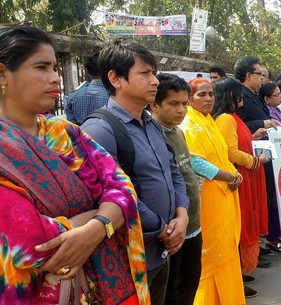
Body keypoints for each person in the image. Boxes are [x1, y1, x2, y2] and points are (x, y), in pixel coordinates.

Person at [0, 26, 149, 305]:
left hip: (98, 291)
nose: (55, 78)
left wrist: (96, 227)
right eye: (41, 67)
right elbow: (30, 244)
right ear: (2, 73)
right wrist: (102, 216)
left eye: (55, 67)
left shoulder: (66, 132)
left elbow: (123, 186)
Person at [81, 39, 189, 305]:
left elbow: (173, 172)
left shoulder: (151, 125)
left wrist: (182, 216)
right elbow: (116, 193)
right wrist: (162, 228)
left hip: (163, 250)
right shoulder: (100, 130)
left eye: (154, 73)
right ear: (115, 78)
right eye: (145, 73)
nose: (155, 81)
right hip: (131, 256)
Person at [180, 78, 245, 305]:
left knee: (226, 249)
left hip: (223, 195)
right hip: (206, 199)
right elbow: (195, 161)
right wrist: (229, 176)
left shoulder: (209, 121)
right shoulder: (188, 123)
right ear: (189, 98)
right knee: (210, 256)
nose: (208, 99)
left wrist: (234, 174)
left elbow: (222, 156)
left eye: (211, 94)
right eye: (202, 95)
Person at [211, 77, 269, 299]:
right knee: (239, 227)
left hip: (245, 175)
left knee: (244, 223)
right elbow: (231, 153)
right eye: (239, 93)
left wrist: (252, 137)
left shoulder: (232, 118)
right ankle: (236, 279)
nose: (243, 97)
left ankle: (239, 275)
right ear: (231, 96)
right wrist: (256, 161)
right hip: (239, 177)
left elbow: (235, 144)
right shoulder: (226, 119)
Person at [150, 73, 202, 305]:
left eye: (184, 104)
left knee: (190, 282)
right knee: (171, 291)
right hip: (172, 230)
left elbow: (186, 171)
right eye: (173, 104)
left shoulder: (178, 132)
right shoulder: (152, 136)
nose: (181, 110)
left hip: (193, 223)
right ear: (155, 104)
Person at [234, 56, 281, 253]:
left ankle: (258, 244)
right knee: (254, 204)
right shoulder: (239, 96)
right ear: (249, 75)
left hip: (263, 153)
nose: (262, 78)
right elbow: (236, 126)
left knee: (265, 200)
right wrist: (261, 124)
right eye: (259, 74)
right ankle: (254, 246)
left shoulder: (253, 95)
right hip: (249, 157)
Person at [65, 53, 109, 125]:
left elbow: (71, 127)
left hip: (81, 135)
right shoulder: (113, 97)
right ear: (107, 73)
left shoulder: (72, 97)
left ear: (89, 74)